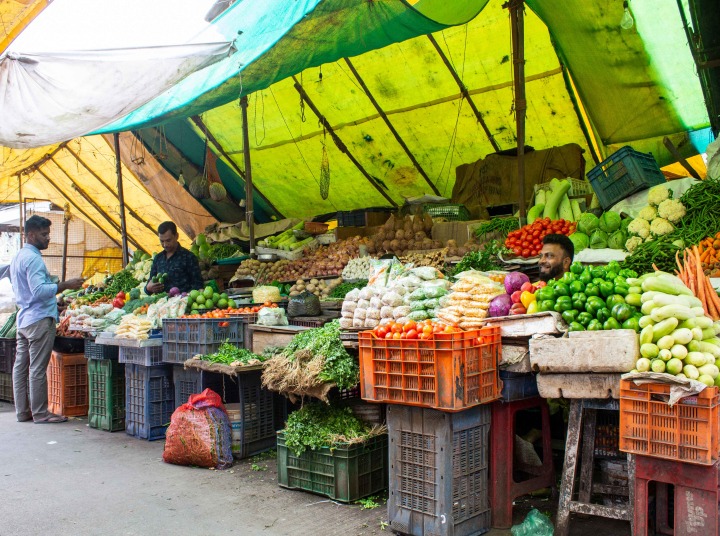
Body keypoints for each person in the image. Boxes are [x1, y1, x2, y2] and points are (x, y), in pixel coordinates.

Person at [10, 215, 84, 423]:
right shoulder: (33, 258)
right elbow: (39, 290)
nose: (48, 238)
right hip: (38, 320)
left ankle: (23, 412)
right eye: (44, 234)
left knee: (20, 367)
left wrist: (54, 304)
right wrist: (66, 285)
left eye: (48, 234)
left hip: (24, 318)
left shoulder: (19, 256)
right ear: (31, 234)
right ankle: (41, 413)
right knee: (37, 369)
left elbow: (27, 291)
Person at [145, 221, 203, 295]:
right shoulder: (158, 259)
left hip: (183, 302)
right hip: (161, 303)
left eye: (168, 240)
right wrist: (148, 288)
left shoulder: (188, 257)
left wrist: (185, 296)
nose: (165, 244)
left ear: (176, 236)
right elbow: (148, 287)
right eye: (162, 241)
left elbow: (198, 284)